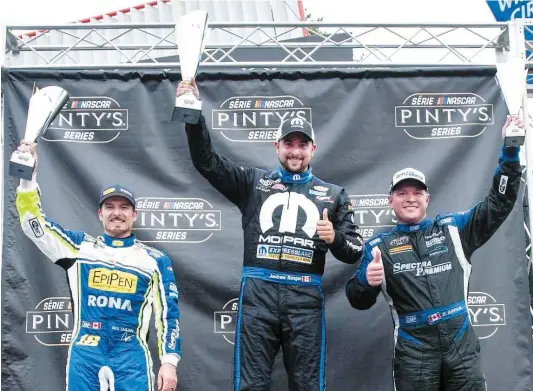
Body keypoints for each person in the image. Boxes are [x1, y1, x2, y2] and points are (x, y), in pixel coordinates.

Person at [176, 79, 363, 391]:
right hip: (258, 296)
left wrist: (335, 239)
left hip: (305, 297)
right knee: (250, 385)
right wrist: (192, 111)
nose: (295, 151)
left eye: (302, 144)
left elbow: (355, 250)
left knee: (307, 385)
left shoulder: (333, 194)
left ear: (312, 149)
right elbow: (206, 162)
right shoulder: (253, 183)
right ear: (276, 146)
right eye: (288, 143)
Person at [345, 115, 524, 391]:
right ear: (389, 201)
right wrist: (365, 283)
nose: (411, 198)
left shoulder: (454, 230)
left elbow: (499, 203)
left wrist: (510, 153)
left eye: (417, 192)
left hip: (461, 347)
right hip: (414, 352)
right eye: (402, 193)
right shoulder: (378, 247)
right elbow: (356, 299)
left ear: (427, 198)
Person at [14, 141, 181, 391]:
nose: (117, 213)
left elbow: (169, 314)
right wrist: (27, 177)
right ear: (99, 213)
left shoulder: (154, 259)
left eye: (124, 207)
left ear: (134, 215)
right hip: (85, 353)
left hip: (131, 356)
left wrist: (169, 362)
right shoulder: (80, 248)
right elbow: (34, 224)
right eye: (110, 207)